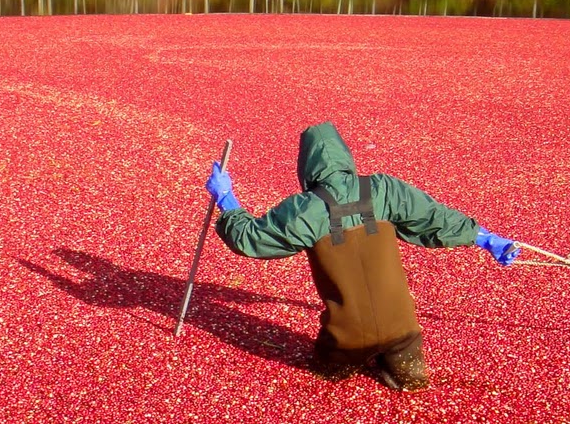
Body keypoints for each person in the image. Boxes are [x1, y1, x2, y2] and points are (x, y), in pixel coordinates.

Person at [204, 122, 520, 392]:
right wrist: (487, 239)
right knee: (413, 383)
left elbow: (251, 238)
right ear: (346, 156)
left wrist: (227, 200)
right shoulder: (384, 190)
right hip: (403, 332)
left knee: (326, 376)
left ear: (307, 167)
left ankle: (344, 364)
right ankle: (400, 367)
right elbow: (436, 218)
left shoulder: (306, 208)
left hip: (345, 339)